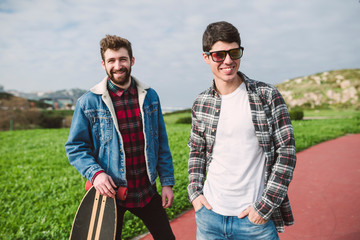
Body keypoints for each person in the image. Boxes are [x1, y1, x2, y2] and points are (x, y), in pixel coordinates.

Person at [187, 21, 296, 240]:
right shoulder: (201, 102)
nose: (228, 61)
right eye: (219, 55)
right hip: (209, 217)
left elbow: (286, 152)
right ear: (206, 57)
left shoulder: (266, 95)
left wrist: (264, 207)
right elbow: (197, 152)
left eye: (234, 52)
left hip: (254, 221)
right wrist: (195, 194)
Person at [65, 35, 175, 240]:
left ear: (132, 61)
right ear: (103, 64)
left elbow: (161, 143)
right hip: (110, 196)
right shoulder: (88, 103)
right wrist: (96, 174)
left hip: (146, 191)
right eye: (111, 60)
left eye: (122, 59)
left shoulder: (150, 96)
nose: (118, 65)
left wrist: (167, 183)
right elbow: (75, 147)